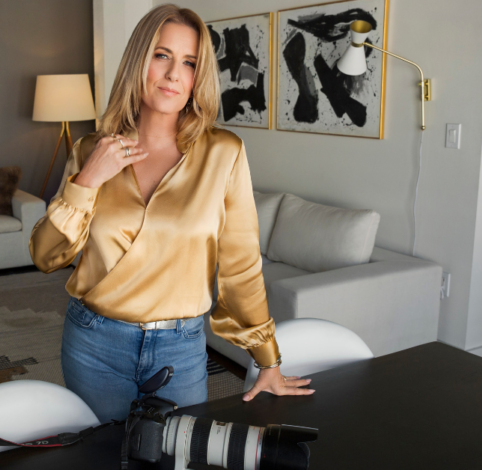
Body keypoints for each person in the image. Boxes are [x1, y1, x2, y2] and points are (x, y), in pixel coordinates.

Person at [29, 4, 314, 423]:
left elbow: (241, 265)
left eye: (189, 62)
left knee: (177, 456)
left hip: (179, 347)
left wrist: (267, 360)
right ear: (139, 61)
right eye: (162, 55)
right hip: (94, 341)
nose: (174, 74)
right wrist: (88, 179)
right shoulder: (92, 150)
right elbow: (45, 255)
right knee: (100, 458)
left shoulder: (224, 154)